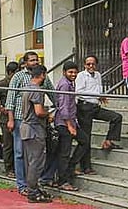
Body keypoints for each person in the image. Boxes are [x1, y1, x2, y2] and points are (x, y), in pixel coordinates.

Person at [6, 52, 57, 194]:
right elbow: (10, 99)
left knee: (34, 156)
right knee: (20, 153)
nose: (35, 62)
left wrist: (60, 108)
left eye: (37, 60)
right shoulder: (19, 77)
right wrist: (10, 119)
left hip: (35, 122)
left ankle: (33, 185)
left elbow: (52, 94)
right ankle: (22, 185)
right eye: (32, 60)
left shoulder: (42, 79)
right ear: (25, 62)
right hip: (19, 119)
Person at [76, 55, 123, 175]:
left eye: (93, 64)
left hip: (95, 106)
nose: (91, 66)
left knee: (116, 117)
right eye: (88, 64)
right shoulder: (81, 76)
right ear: (85, 65)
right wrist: (96, 94)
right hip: (85, 107)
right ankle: (85, 166)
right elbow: (79, 92)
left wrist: (100, 96)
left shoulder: (98, 75)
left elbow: (98, 88)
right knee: (86, 138)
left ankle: (109, 140)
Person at [20, 65, 52, 203]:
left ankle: (33, 187)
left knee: (30, 161)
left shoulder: (27, 87)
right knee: (36, 162)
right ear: (42, 75)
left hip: (26, 129)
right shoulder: (37, 90)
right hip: (34, 129)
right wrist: (49, 115)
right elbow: (39, 112)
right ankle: (33, 192)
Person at [55, 61, 88, 192]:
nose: (73, 74)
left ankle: (70, 168)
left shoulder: (70, 83)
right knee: (64, 152)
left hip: (71, 121)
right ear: (64, 72)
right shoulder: (64, 85)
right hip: (64, 123)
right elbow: (63, 107)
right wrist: (70, 125)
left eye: (75, 72)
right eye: (70, 72)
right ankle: (63, 181)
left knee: (84, 141)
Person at [0, 61, 19, 178]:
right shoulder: (3, 84)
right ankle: (9, 169)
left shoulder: (19, 82)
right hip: (6, 118)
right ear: (11, 72)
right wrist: (1, 109)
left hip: (18, 116)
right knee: (8, 145)